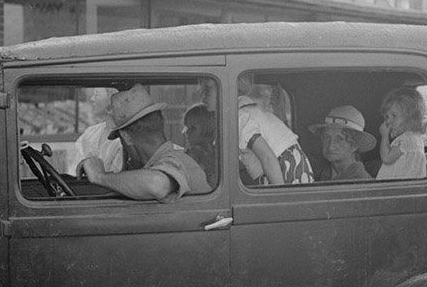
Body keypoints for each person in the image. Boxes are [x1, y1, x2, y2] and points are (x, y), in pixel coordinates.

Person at [78, 85, 209, 202]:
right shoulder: (160, 163)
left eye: (119, 138)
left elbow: (157, 184)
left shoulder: (176, 161)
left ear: (126, 136)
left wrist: (99, 176)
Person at [237, 94, 313, 185]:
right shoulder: (249, 112)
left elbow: (267, 157)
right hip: (277, 164)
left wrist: (279, 194)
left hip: (283, 163)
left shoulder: (240, 119)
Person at [309, 105, 376, 182]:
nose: (331, 146)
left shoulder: (360, 181)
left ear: (355, 145)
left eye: (339, 139)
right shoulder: (326, 174)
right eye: (327, 137)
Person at [377, 86, 427, 180]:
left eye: (394, 116)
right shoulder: (411, 138)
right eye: (387, 117)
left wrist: (384, 136)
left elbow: (387, 158)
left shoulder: (409, 139)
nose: (389, 121)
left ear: (410, 117)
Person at [183, 102, 218, 189]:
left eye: (193, 128)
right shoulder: (192, 154)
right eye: (187, 128)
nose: (187, 132)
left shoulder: (219, 154)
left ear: (207, 129)